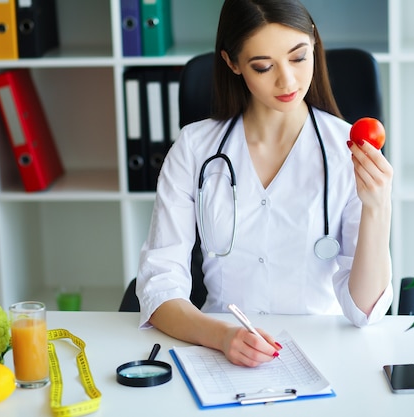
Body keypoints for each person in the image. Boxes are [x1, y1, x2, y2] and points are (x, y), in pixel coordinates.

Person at [136, 0, 393, 368]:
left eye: (298, 57)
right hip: (219, 354)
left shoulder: (346, 151)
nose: (287, 81)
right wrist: (223, 336)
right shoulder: (194, 149)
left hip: (326, 357)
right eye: (263, 66)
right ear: (232, 62)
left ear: (314, 43)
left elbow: (365, 310)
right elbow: (159, 287)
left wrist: (378, 206)